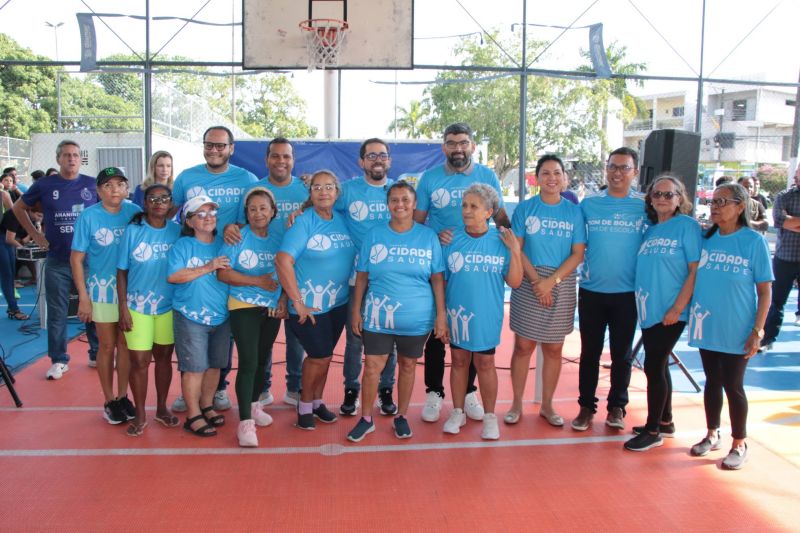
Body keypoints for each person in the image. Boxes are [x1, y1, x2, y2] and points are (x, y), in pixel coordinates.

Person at [413, 122, 511, 423]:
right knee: (437, 329)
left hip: (477, 264)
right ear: (444, 147)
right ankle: (434, 392)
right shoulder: (429, 178)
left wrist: (514, 249)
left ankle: (468, 392)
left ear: (472, 146)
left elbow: (502, 220)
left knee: (470, 331)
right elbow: (418, 224)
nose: (458, 148)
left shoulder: (487, 176)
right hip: (443, 264)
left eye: (464, 142)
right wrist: (436, 234)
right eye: (452, 143)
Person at [346, 181, 447, 442]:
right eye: (394, 200)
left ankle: (401, 416)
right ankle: (366, 418)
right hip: (377, 315)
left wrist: (441, 314)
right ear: (387, 204)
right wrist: (356, 311)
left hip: (416, 317)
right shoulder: (374, 235)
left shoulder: (428, 236)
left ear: (414, 204)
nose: (400, 204)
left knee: (408, 365)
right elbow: (362, 276)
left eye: (405, 200)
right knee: (372, 367)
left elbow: (437, 278)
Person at [171, 126, 257, 413]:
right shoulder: (186, 177)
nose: (215, 150)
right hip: (195, 261)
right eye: (210, 144)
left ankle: (217, 391)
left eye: (221, 146)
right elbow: (170, 213)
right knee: (193, 347)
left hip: (227, 264)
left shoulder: (247, 178)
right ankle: (191, 398)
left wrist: (237, 226)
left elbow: (258, 215)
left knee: (221, 338)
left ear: (231, 148)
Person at [687, 183, 772, 470]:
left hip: (738, 328)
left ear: (740, 206)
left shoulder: (753, 242)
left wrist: (757, 330)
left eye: (722, 201)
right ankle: (712, 433)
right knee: (711, 381)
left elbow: (765, 291)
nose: (715, 206)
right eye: (713, 201)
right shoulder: (705, 239)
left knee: (733, 385)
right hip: (707, 324)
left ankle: (740, 442)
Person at [226, 137, 307, 407]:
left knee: (296, 334)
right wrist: (230, 228)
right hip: (263, 275)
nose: (281, 161)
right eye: (275, 156)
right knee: (263, 341)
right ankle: (261, 390)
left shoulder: (304, 188)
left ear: (293, 160)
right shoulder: (254, 188)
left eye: (286, 156)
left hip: (298, 271)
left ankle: (295, 387)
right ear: (266, 159)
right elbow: (239, 224)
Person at [623, 175, 702, 451]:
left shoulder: (687, 227)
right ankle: (665, 421)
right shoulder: (651, 230)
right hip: (649, 309)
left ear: (680, 198)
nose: (662, 198)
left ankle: (653, 429)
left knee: (654, 365)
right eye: (657, 194)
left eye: (669, 194)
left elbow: (694, 270)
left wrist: (678, 307)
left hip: (671, 311)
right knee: (656, 362)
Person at [506, 155, 586, 427]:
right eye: (545, 173)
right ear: (537, 178)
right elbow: (517, 248)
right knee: (523, 346)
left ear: (564, 178)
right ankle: (516, 403)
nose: (552, 178)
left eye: (557, 173)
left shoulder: (574, 212)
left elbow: (578, 253)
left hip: (561, 280)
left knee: (554, 348)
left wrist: (551, 282)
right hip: (529, 280)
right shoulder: (525, 210)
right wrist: (536, 282)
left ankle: (548, 405)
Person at [572, 147, 647, 432]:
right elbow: (575, 243)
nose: (617, 172)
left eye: (624, 168)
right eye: (613, 167)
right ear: (606, 169)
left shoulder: (644, 206)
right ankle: (585, 408)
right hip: (591, 291)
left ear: (635, 172)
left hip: (628, 294)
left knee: (621, 354)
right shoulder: (589, 204)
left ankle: (617, 407)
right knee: (589, 353)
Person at [276, 170, 356, 430]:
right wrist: (296, 302)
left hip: (338, 303)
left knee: (325, 356)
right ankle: (305, 404)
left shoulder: (342, 219)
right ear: (310, 193)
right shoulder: (303, 222)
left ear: (337, 192)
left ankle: (318, 401)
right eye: (317, 187)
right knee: (318, 356)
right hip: (309, 306)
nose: (323, 192)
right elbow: (283, 260)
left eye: (329, 187)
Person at [13, 140, 99, 380]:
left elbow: (105, 213)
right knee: (58, 311)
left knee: (92, 306)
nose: (72, 159)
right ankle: (59, 360)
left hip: (87, 260)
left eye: (75, 155)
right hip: (58, 260)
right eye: (67, 155)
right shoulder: (44, 184)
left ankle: (97, 353)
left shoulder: (92, 185)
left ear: (80, 158)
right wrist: (36, 234)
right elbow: (19, 208)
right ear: (58, 159)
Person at [442, 184, 522, 440]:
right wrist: (441, 314)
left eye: (473, 206)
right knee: (458, 361)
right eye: (464, 205)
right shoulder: (450, 239)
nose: (466, 210)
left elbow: (515, 282)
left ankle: (490, 417)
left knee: (485, 363)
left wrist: (515, 251)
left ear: (488, 212)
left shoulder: (500, 241)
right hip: (457, 313)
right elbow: (440, 280)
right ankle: (457, 411)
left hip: (487, 313)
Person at [71, 167, 141, 425]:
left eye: (120, 184)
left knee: (125, 346)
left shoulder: (134, 212)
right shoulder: (89, 217)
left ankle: (123, 396)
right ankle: (109, 400)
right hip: (101, 291)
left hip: (131, 291)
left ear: (127, 188)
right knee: (107, 346)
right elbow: (76, 259)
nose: (114, 190)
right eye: (108, 185)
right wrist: (83, 296)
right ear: (98, 190)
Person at [334, 138, 398, 418]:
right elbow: (321, 208)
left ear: (389, 161)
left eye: (382, 155)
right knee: (355, 338)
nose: (377, 160)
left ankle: (386, 389)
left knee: (389, 339)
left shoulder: (398, 191)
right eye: (371, 155)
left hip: (390, 280)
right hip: (355, 278)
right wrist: (299, 210)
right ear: (361, 162)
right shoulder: (347, 191)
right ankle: (351, 389)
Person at [218, 187, 286, 447]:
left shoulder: (280, 236)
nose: (258, 213)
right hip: (243, 304)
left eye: (263, 208)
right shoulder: (237, 237)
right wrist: (257, 281)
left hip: (271, 307)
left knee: (261, 359)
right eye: (253, 208)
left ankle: (255, 405)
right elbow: (223, 274)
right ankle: (245, 422)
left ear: (273, 211)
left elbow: (288, 270)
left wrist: (282, 300)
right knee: (247, 361)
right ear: (246, 212)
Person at [117, 184, 182, 436]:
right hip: (137, 306)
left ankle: (162, 408)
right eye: (152, 198)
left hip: (168, 306)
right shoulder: (133, 231)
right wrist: (123, 307)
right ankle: (141, 413)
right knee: (140, 362)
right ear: (144, 202)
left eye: (163, 198)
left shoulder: (177, 232)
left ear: (170, 203)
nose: (158, 202)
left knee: (164, 359)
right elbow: (121, 271)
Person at [167, 195, 231, 437]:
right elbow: (173, 276)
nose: (208, 218)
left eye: (211, 213)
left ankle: (207, 405)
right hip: (190, 315)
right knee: (195, 367)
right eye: (200, 214)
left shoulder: (225, 242)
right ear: (189, 221)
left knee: (215, 365)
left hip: (221, 316)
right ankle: (193, 414)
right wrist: (208, 266)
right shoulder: (183, 246)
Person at [762, 165, 800, 350]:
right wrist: (788, 222)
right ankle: (767, 339)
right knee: (776, 301)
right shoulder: (784, 196)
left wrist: (793, 221)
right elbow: (780, 221)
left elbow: (789, 222)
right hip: (785, 257)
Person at [0, 206, 37, 320]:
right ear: (30, 211)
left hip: (9, 242)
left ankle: (12, 307)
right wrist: (23, 249)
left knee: (10, 277)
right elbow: (9, 238)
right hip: (3, 240)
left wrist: (36, 228)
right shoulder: (14, 214)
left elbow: (25, 240)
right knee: (7, 276)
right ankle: (14, 308)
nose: (40, 218)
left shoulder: (30, 218)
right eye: (38, 215)